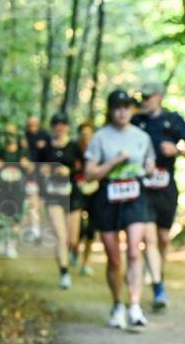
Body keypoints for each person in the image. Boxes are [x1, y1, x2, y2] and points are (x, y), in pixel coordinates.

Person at [84, 90, 157, 329]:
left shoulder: (141, 137)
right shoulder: (100, 137)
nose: (122, 112)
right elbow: (89, 174)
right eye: (117, 107)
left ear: (131, 110)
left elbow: (150, 163)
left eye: (126, 107)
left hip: (135, 197)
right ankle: (117, 305)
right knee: (114, 258)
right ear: (110, 110)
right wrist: (114, 161)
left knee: (134, 251)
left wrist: (149, 168)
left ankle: (135, 306)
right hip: (107, 198)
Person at [132, 82, 185, 309]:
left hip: (166, 187)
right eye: (142, 97)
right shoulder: (136, 121)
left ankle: (157, 271)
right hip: (143, 188)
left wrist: (176, 150)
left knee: (163, 238)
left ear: (159, 97)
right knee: (148, 238)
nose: (144, 101)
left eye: (148, 97)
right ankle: (158, 287)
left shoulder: (174, 120)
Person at [40, 112, 85, 289]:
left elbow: (85, 168)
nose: (59, 127)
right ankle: (64, 273)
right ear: (52, 127)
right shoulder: (46, 148)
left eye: (62, 124)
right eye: (56, 124)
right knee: (61, 236)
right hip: (53, 196)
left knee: (72, 239)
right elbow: (36, 168)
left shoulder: (74, 146)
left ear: (67, 127)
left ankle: (74, 252)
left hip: (72, 195)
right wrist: (45, 171)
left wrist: (70, 172)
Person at [0, 125, 33, 258]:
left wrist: (27, 165)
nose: (10, 137)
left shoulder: (23, 152)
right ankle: (1, 240)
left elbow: (32, 168)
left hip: (18, 189)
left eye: (12, 134)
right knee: (0, 215)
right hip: (0, 189)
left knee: (16, 217)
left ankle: (11, 246)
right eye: (7, 133)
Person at [73, 119, 100, 276]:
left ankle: (86, 262)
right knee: (77, 228)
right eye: (83, 134)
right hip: (77, 192)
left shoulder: (99, 150)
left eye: (89, 134)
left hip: (95, 194)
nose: (86, 137)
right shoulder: (74, 149)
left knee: (91, 229)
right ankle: (74, 249)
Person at [23, 115, 51, 244]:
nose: (32, 126)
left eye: (34, 124)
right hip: (28, 176)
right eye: (30, 124)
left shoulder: (45, 135)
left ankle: (35, 229)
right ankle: (35, 231)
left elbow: (51, 153)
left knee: (38, 204)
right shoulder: (24, 137)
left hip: (42, 177)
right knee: (32, 203)